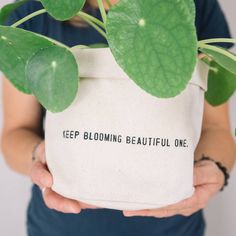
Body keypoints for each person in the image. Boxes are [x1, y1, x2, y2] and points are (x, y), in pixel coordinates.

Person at [1, 0, 236, 235]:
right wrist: (40, 156)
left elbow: (217, 129)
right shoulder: (35, 14)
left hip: (172, 228)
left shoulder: (191, 6)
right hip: (60, 227)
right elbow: (15, 132)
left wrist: (212, 169)